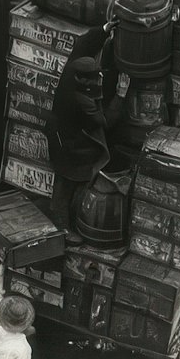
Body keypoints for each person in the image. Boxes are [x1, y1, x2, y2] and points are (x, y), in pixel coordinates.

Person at [49, 55, 125, 239]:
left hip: (63, 144)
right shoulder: (80, 99)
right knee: (68, 189)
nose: (98, 79)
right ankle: (63, 230)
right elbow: (104, 121)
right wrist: (121, 94)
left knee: (63, 186)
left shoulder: (67, 83)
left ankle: (61, 225)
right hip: (75, 151)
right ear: (81, 79)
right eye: (93, 77)